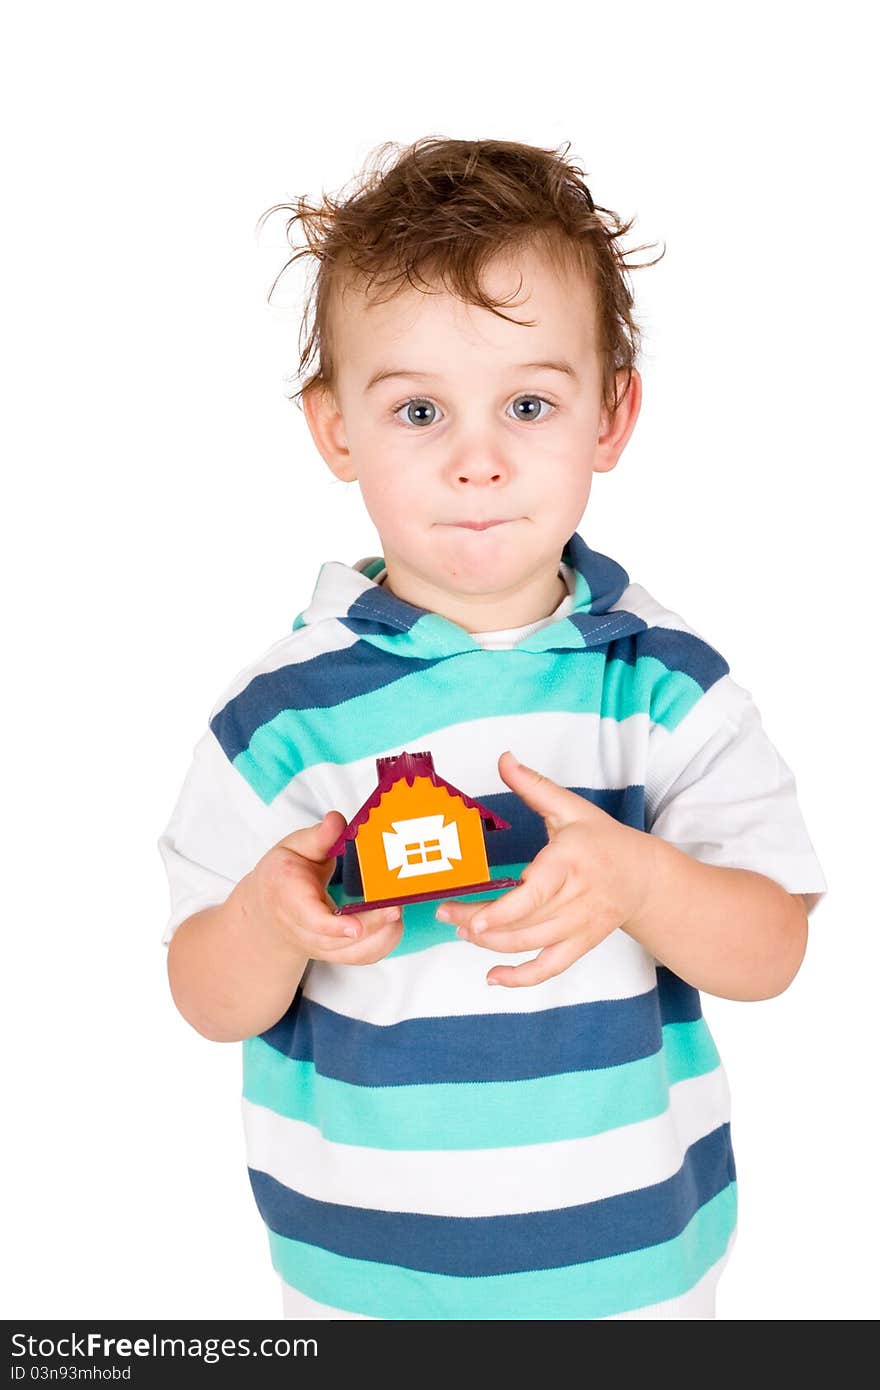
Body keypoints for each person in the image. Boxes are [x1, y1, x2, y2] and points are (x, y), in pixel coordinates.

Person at [158, 137, 827, 1320]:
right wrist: (269, 913)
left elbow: (769, 952)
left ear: (610, 417)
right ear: (337, 433)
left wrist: (636, 880)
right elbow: (210, 999)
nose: (477, 460)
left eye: (528, 402)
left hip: (633, 1270)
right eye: (419, 408)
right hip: (360, 1279)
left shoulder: (662, 688)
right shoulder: (280, 717)